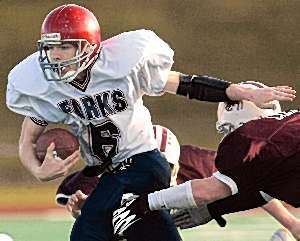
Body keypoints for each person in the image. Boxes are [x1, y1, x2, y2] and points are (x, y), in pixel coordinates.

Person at [5, 3, 296, 241]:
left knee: (89, 230)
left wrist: (240, 91)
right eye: (50, 47)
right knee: (142, 229)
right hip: (108, 170)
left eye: (64, 47)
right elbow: (27, 139)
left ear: (88, 45)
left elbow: (186, 85)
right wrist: (38, 170)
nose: (54, 55)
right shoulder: (47, 87)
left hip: (142, 162)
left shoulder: (122, 65)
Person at [112, 82, 300, 240]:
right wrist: (215, 208)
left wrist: (144, 203)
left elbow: (208, 191)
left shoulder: (249, 139)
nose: (228, 136)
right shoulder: (290, 123)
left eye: (229, 129)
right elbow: (260, 189)